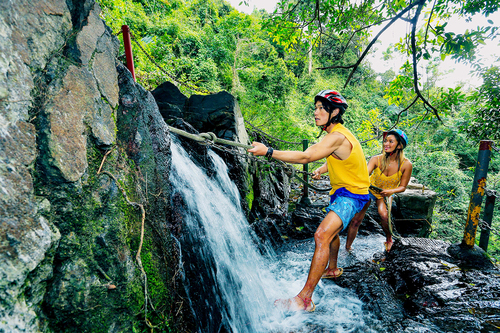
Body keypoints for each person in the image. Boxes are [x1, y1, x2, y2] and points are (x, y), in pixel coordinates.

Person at [248, 90, 370, 312]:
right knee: (330, 234)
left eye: (322, 108)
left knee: (321, 235)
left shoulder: (336, 136)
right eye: (315, 108)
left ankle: (305, 299)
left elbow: (306, 156)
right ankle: (332, 268)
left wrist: (268, 151)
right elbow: (339, 157)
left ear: (334, 112)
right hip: (348, 193)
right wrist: (323, 169)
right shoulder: (339, 135)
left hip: (351, 196)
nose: (316, 112)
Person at [344, 129, 413, 253]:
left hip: (384, 194)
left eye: (390, 142)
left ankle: (389, 239)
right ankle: (348, 247)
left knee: (384, 215)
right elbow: (364, 175)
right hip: (369, 190)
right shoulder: (376, 159)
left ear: (400, 145)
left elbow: (402, 187)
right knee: (356, 220)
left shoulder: (406, 164)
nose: (386, 144)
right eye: (385, 141)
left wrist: (391, 191)